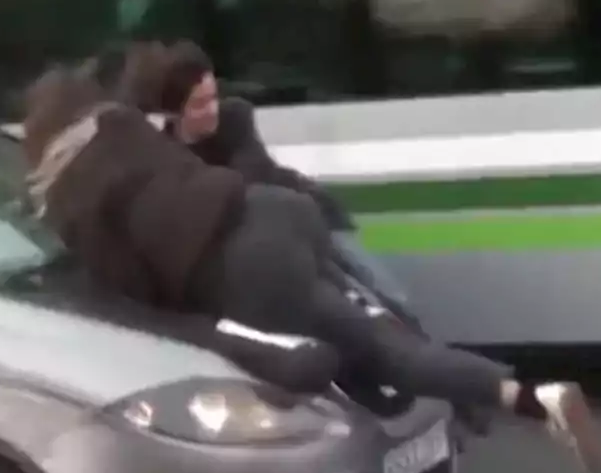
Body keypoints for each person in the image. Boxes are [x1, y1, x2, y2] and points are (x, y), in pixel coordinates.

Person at [20, 58, 601, 473]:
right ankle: (509, 403)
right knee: (378, 343)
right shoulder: (119, 126)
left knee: (374, 357)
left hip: (246, 269)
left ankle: (525, 404)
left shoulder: (73, 206)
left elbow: (146, 307)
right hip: (280, 215)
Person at [144, 39, 423, 329]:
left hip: (314, 215)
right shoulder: (167, 155)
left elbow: (248, 177)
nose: (212, 109)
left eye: (213, 97)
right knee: (348, 311)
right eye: (200, 104)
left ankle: (418, 340)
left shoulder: (235, 117)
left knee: (386, 294)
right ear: (173, 111)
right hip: (276, 244)